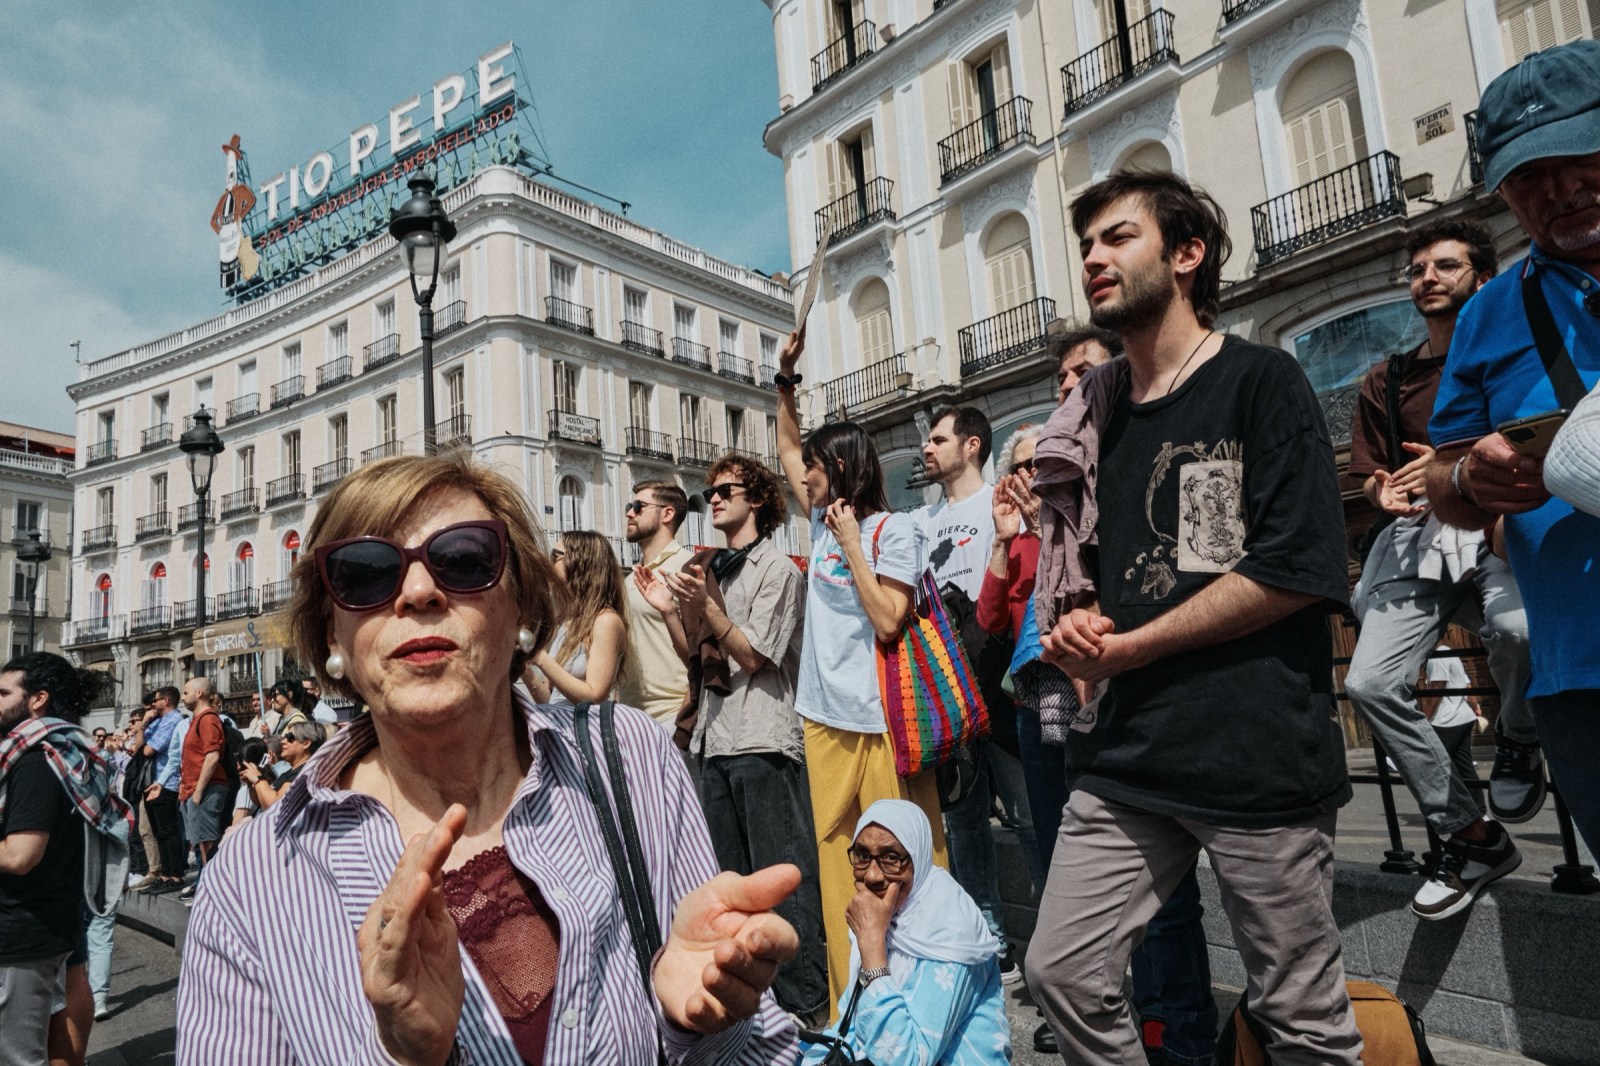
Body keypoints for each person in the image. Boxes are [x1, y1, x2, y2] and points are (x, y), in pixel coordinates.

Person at [176, 451, 801, 1063]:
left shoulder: (628, 762)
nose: (418, 591)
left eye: (464, 559)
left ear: (522, 610)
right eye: (365, 573)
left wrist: (703, 1024)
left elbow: (766, 1048)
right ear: (330, 633)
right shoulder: (252, 882)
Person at [1028, 169, 1362, 1064]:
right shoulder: (1091, 418)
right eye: (1088, 243)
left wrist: (1127, 647)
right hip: (1129, 754)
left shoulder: (1262, 380)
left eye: (1118, 237)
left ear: (1187, 254)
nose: (1095, 257)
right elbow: (1111, 573)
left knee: (1301, 1021)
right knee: (1061, 971)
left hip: (1255, 751)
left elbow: (1292, 569)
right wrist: (1087, 624)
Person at [1425, 38, 1600, 856]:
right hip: (1581, 675)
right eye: (1528, 175)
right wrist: (1469, 476)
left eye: (1578, 154)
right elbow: (1441, 475)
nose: (1561, 188)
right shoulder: (1486, 316)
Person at [1344, 220, 1535, 920]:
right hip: (1418, 539)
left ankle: (1518, 738)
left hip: (1494, 528)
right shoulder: (1385, 378)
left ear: (1480, 276)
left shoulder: (1507, 355)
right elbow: (1370, 472)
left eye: (1444, 265)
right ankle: (1468, 829)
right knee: (1366, 681)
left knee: (1516, 627)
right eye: (1418, 267)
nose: (1426, 276)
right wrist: (1381, 491)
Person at [774, 327, 948, 1017]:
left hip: (881, 723)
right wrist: (785, 381)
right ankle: (855, 1003)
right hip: (824, 722)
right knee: (837, 863)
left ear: (842, 470)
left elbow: (887, 619)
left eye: (817, 469)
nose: (804, 478)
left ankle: (914, 991)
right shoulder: (817, 527)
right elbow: (787, 447)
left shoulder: (894, 531)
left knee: (899, 862)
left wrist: (852, 540)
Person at [635, 454, 828, 1027]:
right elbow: (698, 661)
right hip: (714, 742)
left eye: (725, 490)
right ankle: (758, 1014)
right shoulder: (711, 568)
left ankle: (808, 1009)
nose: (713, 499)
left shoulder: (777, 570)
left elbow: (754, 656)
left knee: (784, 879)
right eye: (709, 491)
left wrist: (707, 608)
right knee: (732, 885)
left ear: (758, 500)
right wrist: (673, 613)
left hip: (764, 738)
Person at [915, 404, 1031, 983]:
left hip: (999, 679)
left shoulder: (1000, 505)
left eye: (938, 439)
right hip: (946, 688)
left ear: (973, 445)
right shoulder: (921, 518)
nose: (926, 450)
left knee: (1029, 811)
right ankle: (990, 940)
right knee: (962, 823)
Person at [800, 800, 1008, 1065]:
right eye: (863, 855)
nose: (873, 876)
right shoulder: (887, 919)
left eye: (891, 858)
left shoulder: (951, 936)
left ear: (918, 858)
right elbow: (850, 1025)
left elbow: (906, 1060)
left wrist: (873, 950)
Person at [0, 653, 128, 1066]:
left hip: (22, 930)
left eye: (3, 693)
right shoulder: (64, 753)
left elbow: (21, 855)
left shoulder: (36, 762)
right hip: (49, 920)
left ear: (38, 699)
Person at [618, 480, 693, 729]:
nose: (630, 512)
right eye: (630, 505)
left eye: (639, 506)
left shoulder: (688, 567)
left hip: (670, 717)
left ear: (667, 513)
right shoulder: (630, 578)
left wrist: (684, 717)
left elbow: (704, 649)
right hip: (629, 720)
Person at [524, 531, 627, 708]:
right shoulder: (565, 620)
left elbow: (595, 695)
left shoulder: (605, 621)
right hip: (560, 726)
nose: (550, 563)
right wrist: (524, 666)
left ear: (579, 562)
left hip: (586, 730)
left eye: (556, 556)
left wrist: (541, 658)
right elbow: (550, 699)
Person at [176, 676, 235, 904]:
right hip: (195, 789)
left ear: (199, 693)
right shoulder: (198, 719)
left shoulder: (208, 719)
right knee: (202, 843)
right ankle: (207, 888)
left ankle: (215, 893)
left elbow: (212, 756)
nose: (183, 697)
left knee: (208, 843)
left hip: (206, 789)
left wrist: (199, 790)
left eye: (185, 692)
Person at [139, 687, 187, 893]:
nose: (152, 705)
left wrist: (146, 737)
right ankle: (165, 874)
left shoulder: (173, 720)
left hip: (168, 782)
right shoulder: (157, 721)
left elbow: (149, 749)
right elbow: (138, 746)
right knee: (159, 832)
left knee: (168, 831)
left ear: (166, 701)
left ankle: (174, 875)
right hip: (155, 781)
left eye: (156, 700)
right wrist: (143, 723)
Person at [238, 720, 323, 812]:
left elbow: (275, 805)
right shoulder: (291, 772)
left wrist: (258, 779)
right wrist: (251, 782)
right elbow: (260, 802)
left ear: (306, 743)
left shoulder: (305, 773)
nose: (283, 741)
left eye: (290, 737)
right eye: (285, 737)